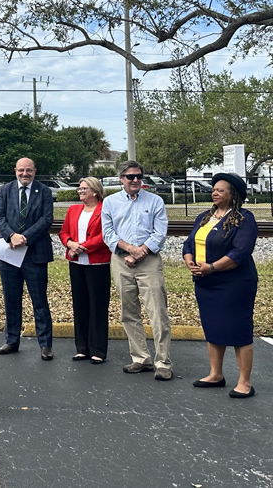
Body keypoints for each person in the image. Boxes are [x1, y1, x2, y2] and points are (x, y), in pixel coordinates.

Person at [182, 173, 259, 398]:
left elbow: (240, 252)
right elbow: (189, 242)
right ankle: (216, 374)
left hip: (234, 283)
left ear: (233, 194)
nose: (215, 192)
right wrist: (189, 259)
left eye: (221, 190)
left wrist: (212, 267)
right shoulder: (206, 217)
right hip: (206, 282)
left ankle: (245, 382)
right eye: (214, 189)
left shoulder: (244, 218)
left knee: (238, 330)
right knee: (213, 327)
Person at [101, 160, 173, 381]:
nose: (135, 180)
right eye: (130, 177)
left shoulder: (155, 201)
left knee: (157, 312)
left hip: (148, 261)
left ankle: (163, 362)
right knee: (128, 312)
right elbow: (108, 233)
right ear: (121, 179)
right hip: (121, 261)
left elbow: (160, 232)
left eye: (139, 176)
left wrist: (140, 252)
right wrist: (129, 250)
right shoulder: (110, 202)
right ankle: (141, 358)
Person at [0, 157, 55, 360]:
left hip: (35, 254)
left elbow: (46, 220)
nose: (25, 174)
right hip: (10, 253)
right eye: (21, 170)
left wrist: (25, 238)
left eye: (29, 170)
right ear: (15, 171)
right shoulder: (6, 190)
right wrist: (11, 236)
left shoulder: (44, 191)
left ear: (35, 171)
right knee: (11, 300)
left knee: (39, 301)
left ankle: (45, 345)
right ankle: (12, 341)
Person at [58, 177, 112, 364]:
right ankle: (82, 348)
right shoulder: (73, 210)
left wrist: (84, 246)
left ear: (95, 191)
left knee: (97, 307)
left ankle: (98, 350)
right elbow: (63, 232)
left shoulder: (105, 209)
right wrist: (70, 243)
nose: (80, 191)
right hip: (76, 262)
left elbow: (105, 235)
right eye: (79, 189)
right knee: (80, 306)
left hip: (97, 264)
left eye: (84, 188)